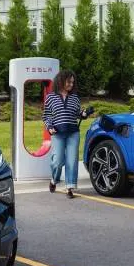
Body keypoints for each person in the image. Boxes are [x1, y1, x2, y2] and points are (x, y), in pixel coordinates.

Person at [42, 69, 91, 198]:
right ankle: (54, 180)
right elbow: (46, 116)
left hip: (73, 133)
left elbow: (78, 114)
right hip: (57, 133)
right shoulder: (51, 97)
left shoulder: (74, 97)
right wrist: (50, 127)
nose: (71, 85)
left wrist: (84, 114)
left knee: (72, 160)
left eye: (72, 83)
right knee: (57, 161)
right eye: (69, 82)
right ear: (61, 81)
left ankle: (70, 187)